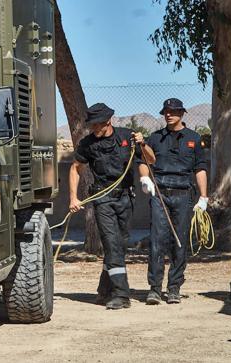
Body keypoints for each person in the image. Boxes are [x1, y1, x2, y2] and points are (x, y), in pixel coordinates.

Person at [69, 103, 155, 310]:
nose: (92, 129)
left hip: (126, 197)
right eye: (90, 125)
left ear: (107, 122)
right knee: (111, 243)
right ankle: (121, 294)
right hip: (102, 198)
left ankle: (104, 290)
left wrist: (143, 147)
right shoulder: (87, 144)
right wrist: (73, 197)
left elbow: (150, 159)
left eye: (95, 125)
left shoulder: (128, 137)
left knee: (121, 244)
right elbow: (75, 168)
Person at [138, 98, 208, 305]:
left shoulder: (194, 139)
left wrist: (204, 197)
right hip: (160, 193)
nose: (169, 115)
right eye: (166, 111)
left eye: (173, 111)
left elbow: (200, 169)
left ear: (182, 113)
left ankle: (174, 287)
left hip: (184, 194)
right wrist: (144, 179)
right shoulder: (154, 138)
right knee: (158, 241)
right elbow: (143, 161)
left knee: (180, 242)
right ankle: (155, 288)